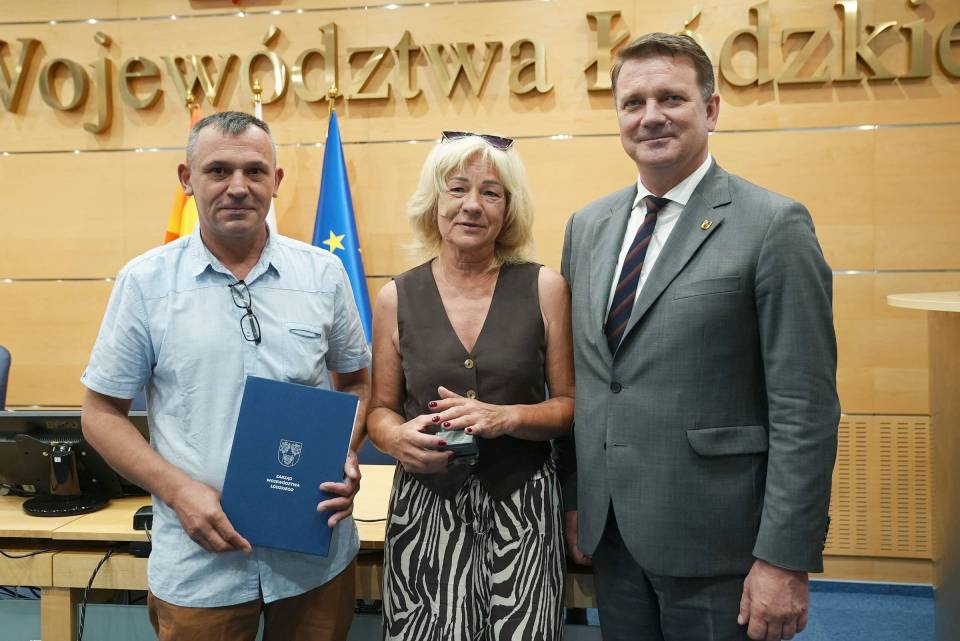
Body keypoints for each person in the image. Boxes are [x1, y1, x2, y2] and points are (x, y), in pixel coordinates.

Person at [559, 33, 840, 641]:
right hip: (613, 537)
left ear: (710, 110)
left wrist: (784, 557)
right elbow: (586, 381)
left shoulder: (773, 225)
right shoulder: (586, 227)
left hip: (722, 546)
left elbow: (805, 407)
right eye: (633, 103)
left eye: (671, 98)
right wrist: (576, 499)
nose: (651, 116)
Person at [80, 111, 371, 641]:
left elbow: (356, 383)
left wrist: (341, 453)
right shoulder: (145, 283)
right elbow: (100, 415)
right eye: (218, 170)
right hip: (201, 564)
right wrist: (178, 491)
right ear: (187, 179)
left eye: (254, 171)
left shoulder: (323, 274)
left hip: (312, 559)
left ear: (275, 181)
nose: (238, 186)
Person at [366, 131, 575, 641]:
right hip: (425, 510)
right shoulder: (395, 296)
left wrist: (509, 417)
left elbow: (571, 406)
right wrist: (394, 438)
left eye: (491, 192)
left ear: (508, 209)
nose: (472, 205)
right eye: (457, 188)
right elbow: (379, 409)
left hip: (523, 509)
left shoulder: (546, 288)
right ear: (434, 201)